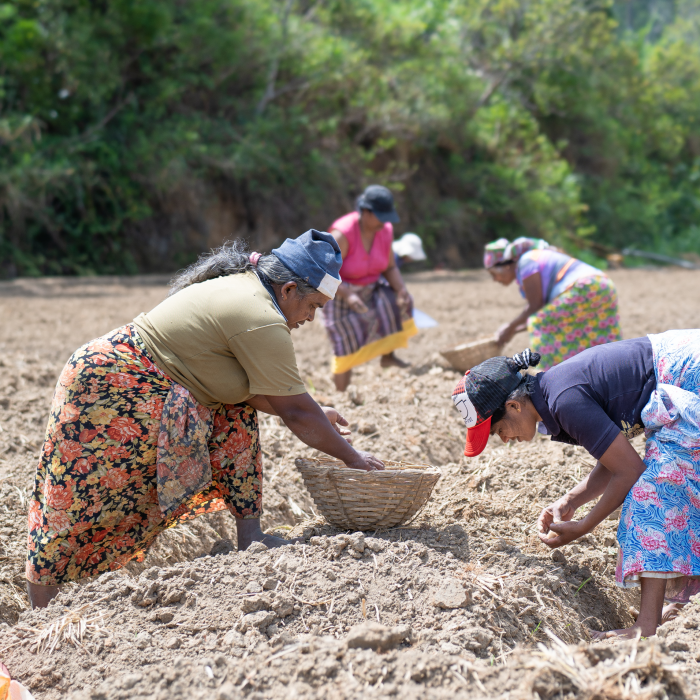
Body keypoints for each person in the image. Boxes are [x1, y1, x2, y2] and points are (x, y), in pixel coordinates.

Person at [26, 230, 384, 609]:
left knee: (235, 415)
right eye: (314, 306)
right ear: (290, 289)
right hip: (109, 386)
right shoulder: (259, 315)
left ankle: (251, 535)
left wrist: (314, 413)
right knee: (81, 499)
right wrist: (353, 458)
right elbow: (297, 412)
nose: (311, 317)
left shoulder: (251, 292)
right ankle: (40, 612)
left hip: (148, 384)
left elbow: (255, 391)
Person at [451, 331, 700, 639]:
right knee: (673, 480)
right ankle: (675, 603)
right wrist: (570, 502)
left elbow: (629, 470)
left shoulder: (564, 400)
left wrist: (585, 525)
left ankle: (645, 627)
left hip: (687, 374)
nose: (504, 439)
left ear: (514, 406)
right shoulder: (553, 396)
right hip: (680, 370)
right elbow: (613, 459)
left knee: (653, 492)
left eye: (498, 429)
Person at [323, 185, 417, 391]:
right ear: (365, 212)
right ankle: (341, 395)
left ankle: (388, 356)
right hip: (339, 291)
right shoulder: (342, 234)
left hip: (372, 287)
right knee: (344, 344)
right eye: (380, 216)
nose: (384, 222)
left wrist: (402, 290)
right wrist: (347, 295)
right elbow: (324, 272)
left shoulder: (385, 231)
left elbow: (390, 266)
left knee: (396, 302)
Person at [484, 236, 621, 370]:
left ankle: (553, 373)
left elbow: (535, 308)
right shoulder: (538, 258)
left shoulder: (527, 261)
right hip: (602, 286)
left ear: (506, 265)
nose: (495, 280)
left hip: (584, 288)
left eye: (493, 274)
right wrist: (512, 331)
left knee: (540, 322)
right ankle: (608, 368)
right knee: (594, 329)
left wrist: (510, 327)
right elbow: (546, 312)